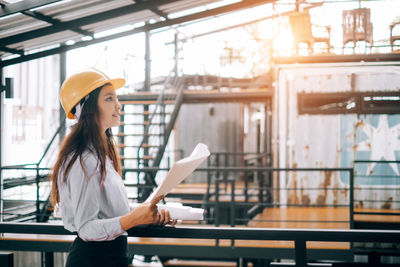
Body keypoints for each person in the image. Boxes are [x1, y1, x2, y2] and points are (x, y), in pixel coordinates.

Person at [50, 68, 177, 267]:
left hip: (111, 258)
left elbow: (110, 212)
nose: (118, 105)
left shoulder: (100, 156)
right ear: (88, 107)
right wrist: (132, 219)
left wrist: (146, 214)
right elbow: (87, 229)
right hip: (93, 261)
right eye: (109, 98)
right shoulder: (84, 159)